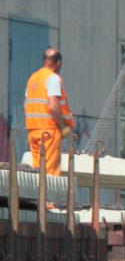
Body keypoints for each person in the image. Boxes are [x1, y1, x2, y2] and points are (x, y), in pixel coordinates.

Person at [24, 47, 74, 176]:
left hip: (33, 132)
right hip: (49, 132)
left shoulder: (33, 78)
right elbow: (53, 106)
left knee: (37, 172)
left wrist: (30, 130)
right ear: (58, 63)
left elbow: (26, 105)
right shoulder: (53, 78)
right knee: (49, 174)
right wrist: (63, 126)